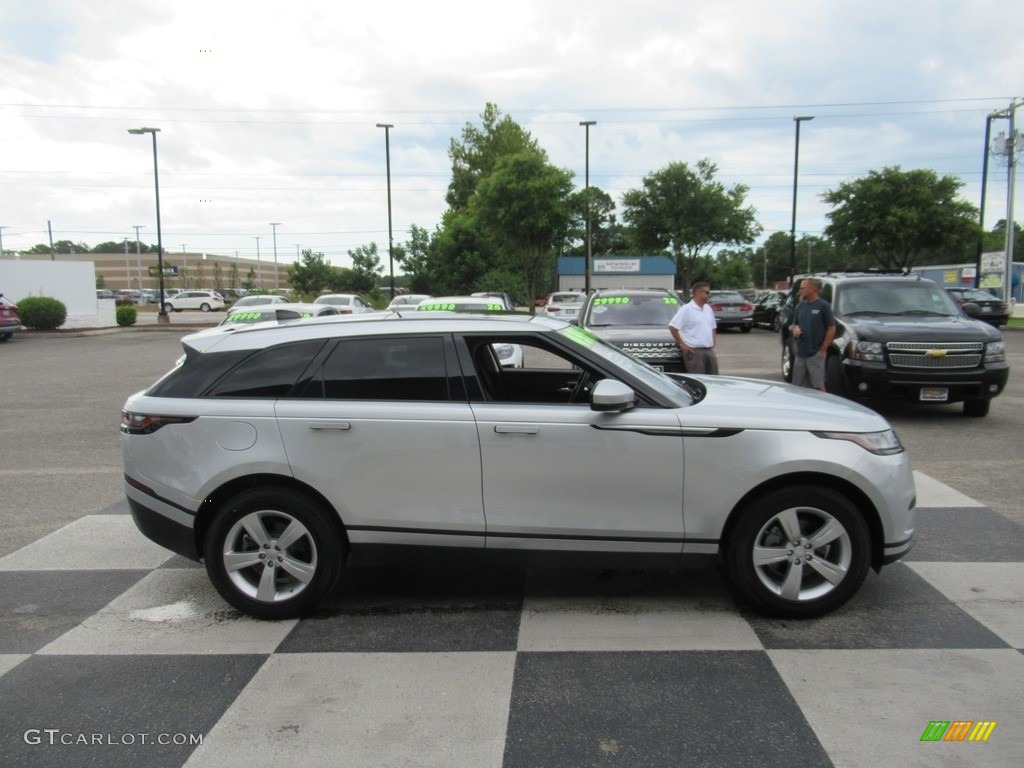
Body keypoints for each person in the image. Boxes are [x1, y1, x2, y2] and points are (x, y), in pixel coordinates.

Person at [791, 278, 837, 392]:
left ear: (813, 289)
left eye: (803, 288)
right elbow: (794, 325)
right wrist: (795, 330)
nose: (800, 290)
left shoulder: (823, 306)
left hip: (815, 353)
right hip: (801, 352)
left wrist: (823, 348)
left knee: (818, 385)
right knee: (797, 386)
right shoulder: (800, 306)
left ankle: (822, 406)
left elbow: (832, 328)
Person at [668, 282, 718, 374]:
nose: (709, 295)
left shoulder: (708, 309)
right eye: (707, 292)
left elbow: (713, 327)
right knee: (699, 379)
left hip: (709, 350)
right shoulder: (686, 309)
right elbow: (673, 327)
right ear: (698, 293)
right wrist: (682, 344)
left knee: (713, 378)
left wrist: (713, 340)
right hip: (695, 352)